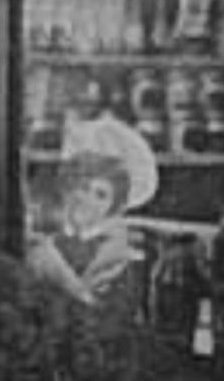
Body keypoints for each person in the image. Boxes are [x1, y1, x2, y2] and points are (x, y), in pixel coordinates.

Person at [27, 112, 159, 321]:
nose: (86, 199)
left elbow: (106, 318)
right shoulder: (46, 242)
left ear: (113, 206)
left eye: (100, 195)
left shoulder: (120, 258)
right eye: (81, 187)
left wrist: (61, 275)